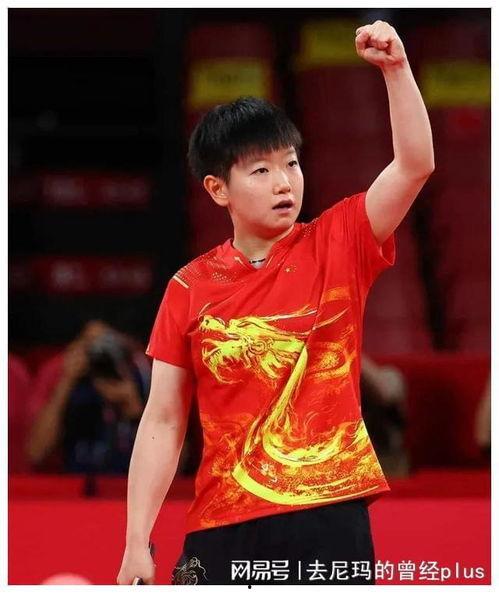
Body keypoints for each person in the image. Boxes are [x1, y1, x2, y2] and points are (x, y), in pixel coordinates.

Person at [117, 20, 434, 585]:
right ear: (218, 189)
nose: (284, 182)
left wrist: (396, 69)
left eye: (291, 163)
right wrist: (136, 540)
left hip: (329, 514)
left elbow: (414, 166)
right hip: (224, 522)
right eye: (261, 170)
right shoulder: (189, 287)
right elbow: (163, 418)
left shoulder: (340, 242)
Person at [26, 320, 150, 474]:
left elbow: (166, 464)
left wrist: (135, 412)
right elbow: (36, 453)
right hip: (74, 481)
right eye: (91, 345)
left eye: (107, 342)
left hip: (125, 481)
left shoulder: (140, 374)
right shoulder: (62, 376)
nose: (100, 351)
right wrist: (66, 383)